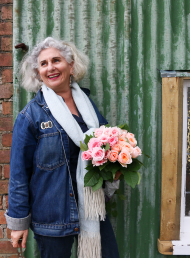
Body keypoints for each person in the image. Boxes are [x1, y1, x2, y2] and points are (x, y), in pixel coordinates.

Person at [5, 37, 120, 258]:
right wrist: (18, 222)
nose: (50, 68)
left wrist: (118, 163)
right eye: (44, 64)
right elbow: (19, 174)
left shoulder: (87, 106)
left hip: (93, 209)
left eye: (56, 60)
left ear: (71, 65)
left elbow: (108, 143)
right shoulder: (30, 116)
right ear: (38, 73)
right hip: (53, 216)